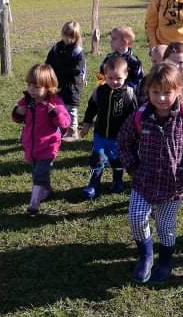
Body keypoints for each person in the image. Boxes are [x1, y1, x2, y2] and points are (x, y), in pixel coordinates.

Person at [117, 62, 183, 284]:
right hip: (144, 181)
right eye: (156, 92)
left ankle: (166, 261)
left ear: (179, 90)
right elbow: (124, 141)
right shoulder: (140, 116)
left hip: (173, 185)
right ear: (148, 91)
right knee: (136, 218)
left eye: (167, 92)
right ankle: (146, 255)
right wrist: (133, 167)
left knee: (166, 226)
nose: (161, 98)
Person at [12, 63, 71, 216]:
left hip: (48, 146)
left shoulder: (54, 102)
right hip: (31, 146)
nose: (32, 90)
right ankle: (47, 190)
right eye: (29, 85)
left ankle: (34, 204)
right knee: (37, 172)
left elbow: (65, 123)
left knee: (39, 174)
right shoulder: (26, 101)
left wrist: (55, 113)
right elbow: (17, 118)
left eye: (36, 87)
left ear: (49, 87)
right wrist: (18, 112)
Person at [79, 55, 138, 200]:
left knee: (116, 159)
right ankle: (94, 184)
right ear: (105, 75)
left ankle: (117, 181)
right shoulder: (99, 91)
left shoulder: (129, 94)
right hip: (100, 135)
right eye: (110, 78)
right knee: (97, 158)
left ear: (126, 75)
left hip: (119, 137)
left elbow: (135, 116)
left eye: (118, 78)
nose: (114, 81)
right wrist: (86, 124)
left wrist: (134, 134)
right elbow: (91, 108)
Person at [45, 20, 86, 142]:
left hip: (71, 86)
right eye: (65, 35)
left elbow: (77, 71)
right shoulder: (56, 48)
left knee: (71, 108)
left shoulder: (77, 52)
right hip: (56, 84)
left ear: (76, 37)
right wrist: (48, 75)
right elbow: (49, 63)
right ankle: (61, 127)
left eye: (71, 36)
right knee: (58, 105)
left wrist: (63, 78)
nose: (67, 38)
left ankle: (73, 131)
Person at [100, 25, 145, 96]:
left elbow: (139, 80)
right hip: (109, 93)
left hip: (128, 96)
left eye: (114, 39)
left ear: (125, 42)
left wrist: (129, 90)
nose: (111, 41)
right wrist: (102, 87)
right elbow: (101, 73)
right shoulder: (109, 58)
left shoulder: (134, 61)